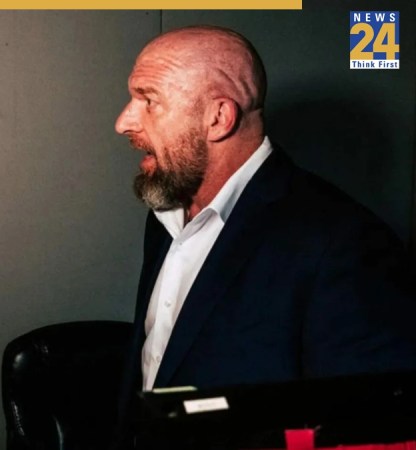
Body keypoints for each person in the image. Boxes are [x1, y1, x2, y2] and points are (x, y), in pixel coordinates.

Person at [113, 25, 416, 446]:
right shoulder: (166, 212)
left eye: (149, 100)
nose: (124, 122)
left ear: (219, 117)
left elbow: (372, 427)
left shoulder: (344, 244)